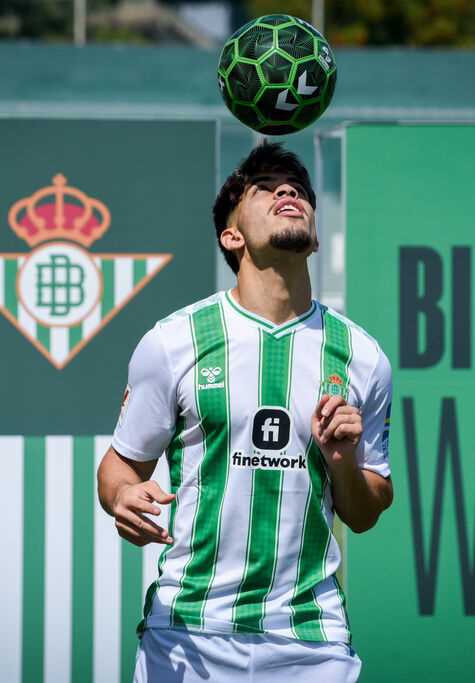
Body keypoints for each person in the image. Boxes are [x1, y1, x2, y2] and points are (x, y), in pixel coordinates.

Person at [97, 141, 393, 682]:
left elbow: (366, 511)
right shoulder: (174, 342)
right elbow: (119, 467)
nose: (288, 192)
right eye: (267, 187)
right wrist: (122, 496)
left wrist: (344, 462)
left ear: (315, 235)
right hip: (187, 632)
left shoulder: (363, 356)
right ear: (231, 236)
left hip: (312, 641)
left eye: (299, 189)